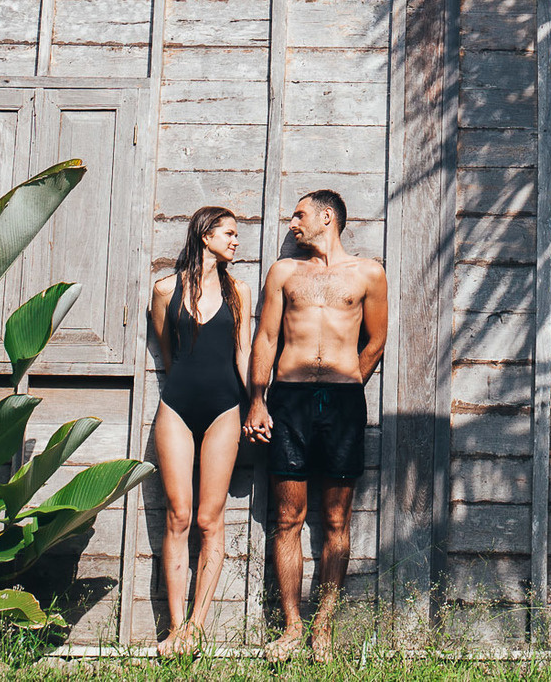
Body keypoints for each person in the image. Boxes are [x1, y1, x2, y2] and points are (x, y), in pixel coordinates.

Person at [243, 189, 388, 661]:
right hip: (288, 402)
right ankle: (291, 625)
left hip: (342, 404)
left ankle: (322, 627)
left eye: (300, 214)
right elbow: (265, 338)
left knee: (336, 520)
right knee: (287, 518)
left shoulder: (369, 273)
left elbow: (376, 340)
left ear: (328, 217)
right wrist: (258, 402)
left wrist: (345, 385)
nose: (292, 223)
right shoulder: (284, 272)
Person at [147, 205, 251, 656]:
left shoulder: (240, 292)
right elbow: (168, 355)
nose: (235, 241)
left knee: (210, 519)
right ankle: (173, 629)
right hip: (177, 407)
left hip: (225, 408)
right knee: (178, 515)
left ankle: (197, 626)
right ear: (205, 234)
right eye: (228, 233)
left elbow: (243, 356)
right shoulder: (164, 289)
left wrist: (258, 406)